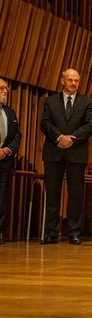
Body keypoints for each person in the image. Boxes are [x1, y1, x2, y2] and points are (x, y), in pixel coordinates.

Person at [40, 68, 92, 245]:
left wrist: (72, 139)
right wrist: (59, 137)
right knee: (52, 194)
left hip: (76, 152)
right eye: (70, 80)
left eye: (76, 80)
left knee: (76, 195)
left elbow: (90, 126)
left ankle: (74, 233)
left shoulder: (87, 102)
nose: (73, 83)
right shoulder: (50, 101)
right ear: (62, 81)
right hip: (53, 152)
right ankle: (51, 233)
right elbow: (44, 123)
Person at [0, 79, 21, 244]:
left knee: (1, 198)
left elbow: (17, 136)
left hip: (5, 162)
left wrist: (6, 150)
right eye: (1, 88)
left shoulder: (10, 113)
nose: (5, 91)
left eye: (6, 88)